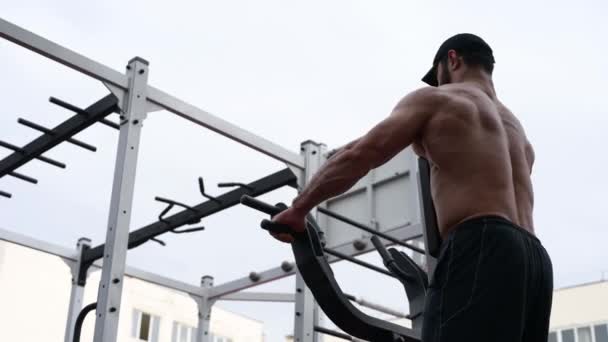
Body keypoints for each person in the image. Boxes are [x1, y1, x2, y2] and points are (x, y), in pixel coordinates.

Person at [271, 33, 553, 341]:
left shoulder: (439, 100)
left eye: (438, 77)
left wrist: (299, 209)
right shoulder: (518, 135)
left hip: (482, 242)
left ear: (453, 59)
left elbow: (361, 154)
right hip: (534, 261)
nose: (438, 85)